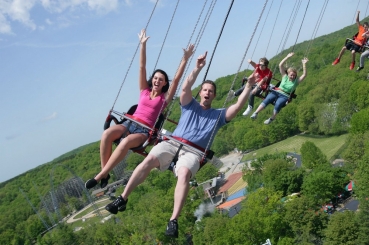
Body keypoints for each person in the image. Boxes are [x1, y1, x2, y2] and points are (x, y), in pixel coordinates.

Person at [104, 51, 258, 238]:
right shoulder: (189, 104)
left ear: (214, 96)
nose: (207, 93)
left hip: (193, 152)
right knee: (148, 160)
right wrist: (196, 68)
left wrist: (249, 86)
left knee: (184, 173)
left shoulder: (218, 115)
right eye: (205, 90)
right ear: (200, 92)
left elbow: (237, 107)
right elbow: (185, 87)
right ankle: (123, 198)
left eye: (211, 91)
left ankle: (173, 220)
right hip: (172, 143)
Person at [85, 29, 195, 190]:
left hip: (144, 132)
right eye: (156, 78)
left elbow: (177, 80)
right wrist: (142, 45)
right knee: (107, 134)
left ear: (165, 83)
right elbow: (142, 67)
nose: (157, 81)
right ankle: (105, 172)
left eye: (161, 80)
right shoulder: (144, 90)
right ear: (153, 80)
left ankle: (101, 175)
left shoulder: (164, 98)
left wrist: (185, 59)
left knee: (127, 142)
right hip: (130, 123)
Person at [250, 52, 308, 124]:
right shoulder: (284, 77)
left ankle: (272, 118)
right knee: (268, 99)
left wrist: (304, 64)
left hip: (285, 96)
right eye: (291, 75)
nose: (292, 77)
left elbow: (304, 75)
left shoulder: (296, 81)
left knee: (278, 104)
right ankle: (256, 113)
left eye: (294, 75)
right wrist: (287, 57)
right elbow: (280, 65)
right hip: (276, 92)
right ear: (288, 74)